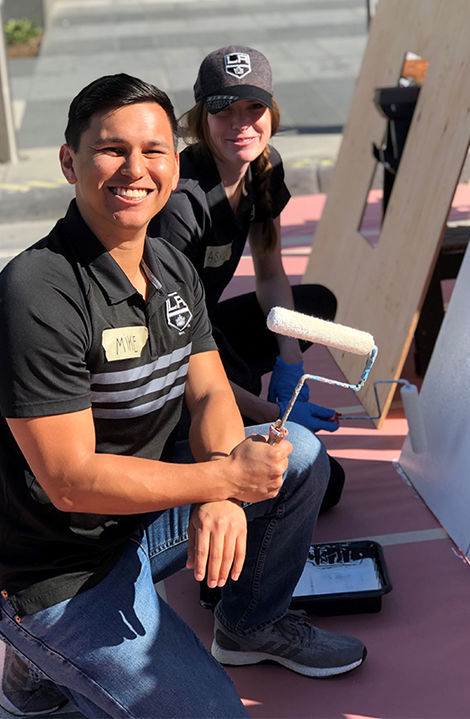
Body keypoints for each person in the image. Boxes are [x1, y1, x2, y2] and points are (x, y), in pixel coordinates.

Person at [0, 74, 365, 718]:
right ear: (68, 162)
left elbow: (207, 396)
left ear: (175, 160)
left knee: (298, 456)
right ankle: (34, 662)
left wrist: (225, 488)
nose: (135, 170)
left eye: (154, 151)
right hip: (57, 568)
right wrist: (215, 480)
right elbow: (69, 481)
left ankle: (248, 626)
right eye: (112, 150)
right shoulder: (36, 290)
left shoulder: (169, 267)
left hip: (136, 524)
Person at [149, 46, 345, 512]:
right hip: (164, 353)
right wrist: (273, 414)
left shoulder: (263, 165)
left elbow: (272, 274)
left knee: (314, 305)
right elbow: (173, 348)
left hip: (200, 326)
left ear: (270, 111)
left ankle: (239, 401)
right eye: (223, 109)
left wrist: (290, 367)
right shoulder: (182, 203)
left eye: (253, 107)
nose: (242, 123)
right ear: (201, 118)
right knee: (325, 482)